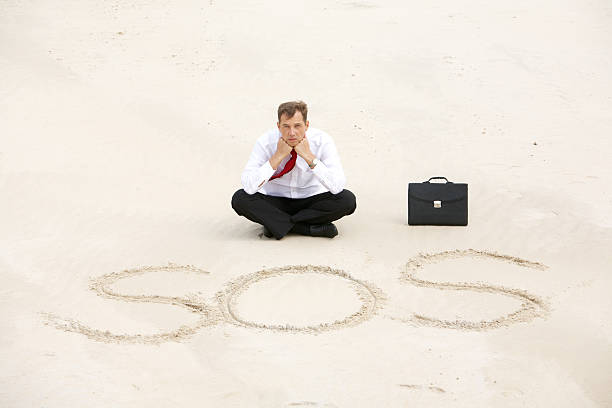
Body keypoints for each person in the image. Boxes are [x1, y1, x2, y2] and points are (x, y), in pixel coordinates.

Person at [231, 101, 356, 239]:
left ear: (306, 125)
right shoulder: (265, 142)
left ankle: (276, 224)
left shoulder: (323, 141)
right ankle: (305, 228)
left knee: (347, 200)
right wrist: (277, 156)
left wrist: (309, 157)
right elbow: (249, 186)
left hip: (311, 200)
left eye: (297, 126)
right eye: (286, 126)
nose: (292, 133)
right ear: (278, 126)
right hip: (276, 200)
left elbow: (337, 185)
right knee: (240, 199)